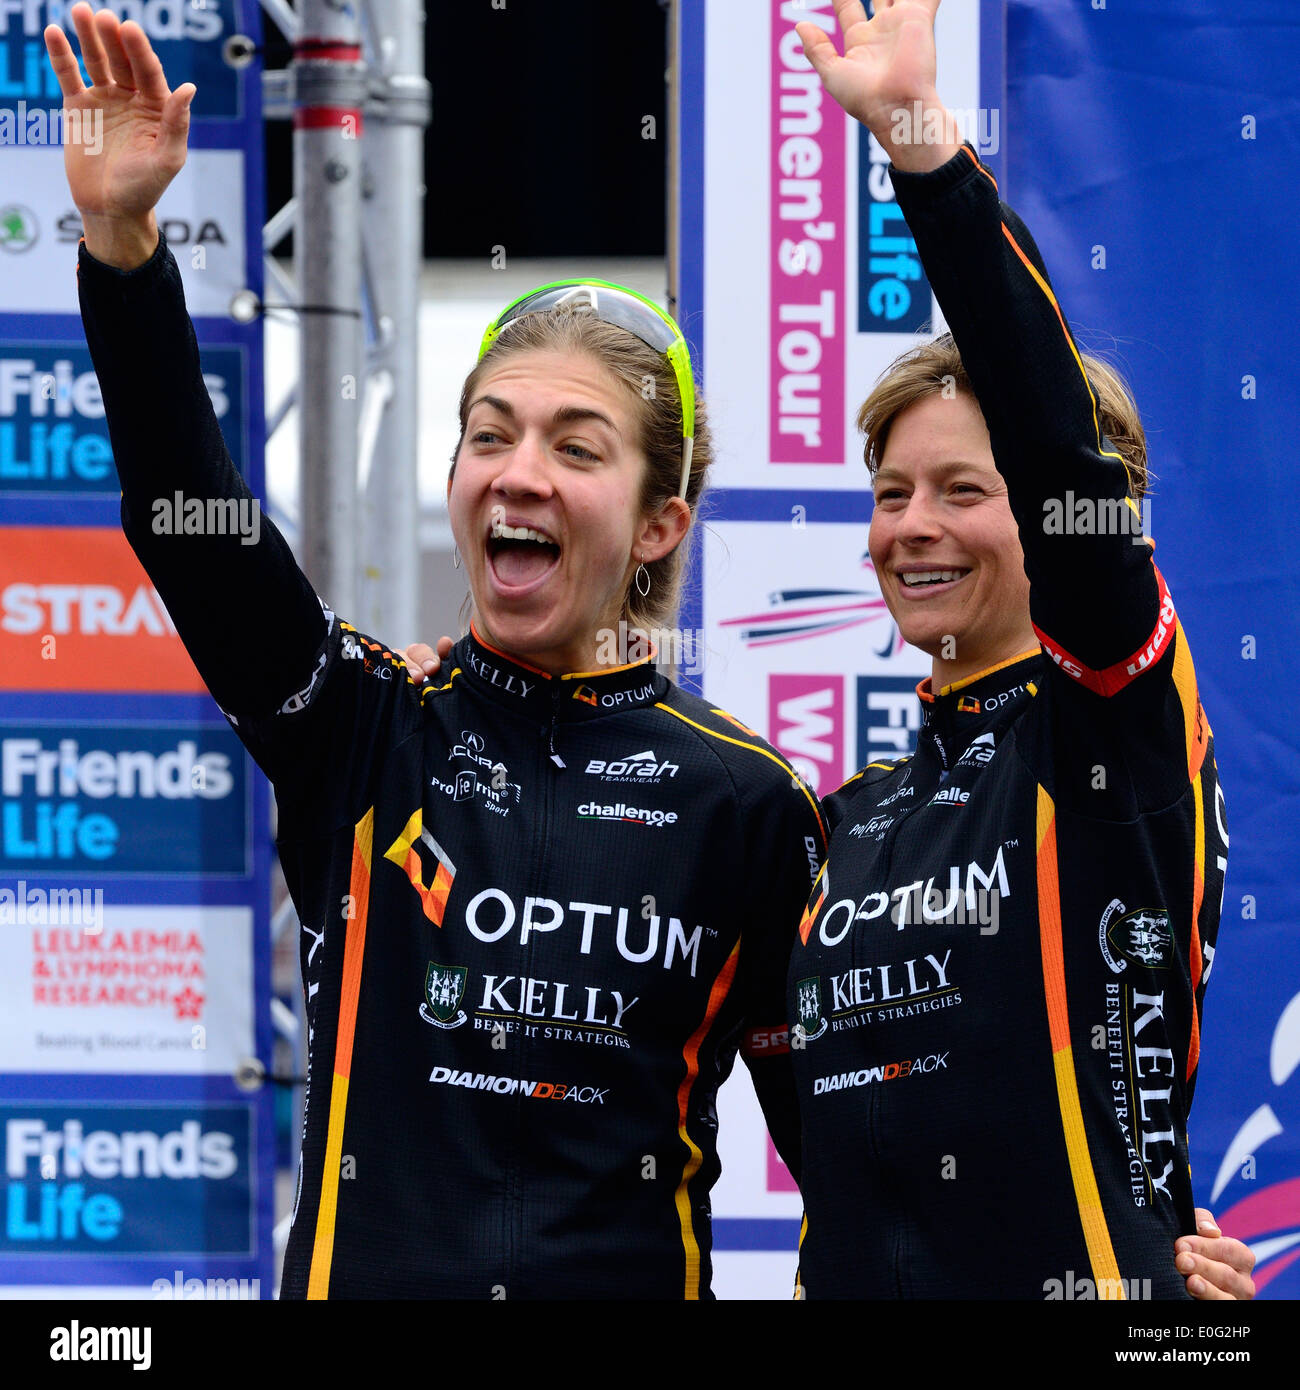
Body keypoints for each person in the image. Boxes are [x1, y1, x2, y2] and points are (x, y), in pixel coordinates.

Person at [45, 4, 826, 1298]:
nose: (519, 474)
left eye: (577, 447)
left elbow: (861, 1167)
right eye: (489, 433)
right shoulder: (361, 722)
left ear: (657, 521)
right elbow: (193, 532)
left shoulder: (748, 803)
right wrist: (125, 250)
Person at [783, 0, 1240, 1298]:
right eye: (889, 491)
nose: (914, 526)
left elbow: (1055, 446)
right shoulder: (843, 823)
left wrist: (921, 149)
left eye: (962, 491)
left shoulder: (1112, 711)